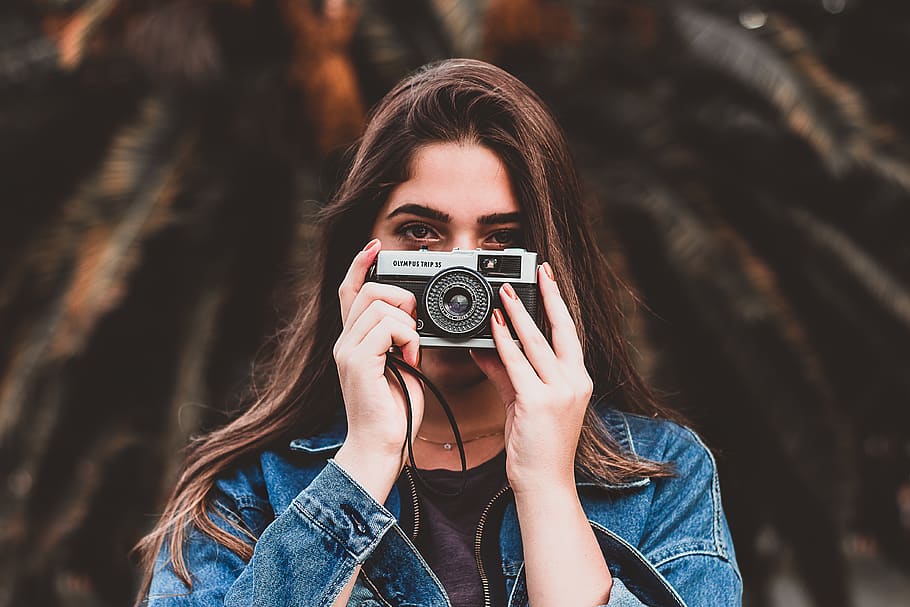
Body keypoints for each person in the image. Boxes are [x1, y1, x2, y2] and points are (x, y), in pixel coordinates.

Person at [134, 58, 742, 607]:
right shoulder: (246, 488)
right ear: (360, 255)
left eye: (501, 240)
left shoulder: (663, 476)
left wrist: (548, 484)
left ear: (551, 262)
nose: (460, 278)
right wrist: (364, 461)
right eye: (422, 233)